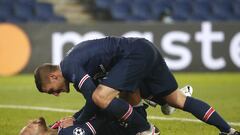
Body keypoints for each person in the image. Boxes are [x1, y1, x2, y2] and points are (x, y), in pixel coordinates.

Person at [34, 36, 239, 135]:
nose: (56, 94)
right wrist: (77, 118)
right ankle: (229, 131)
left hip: (134, 55)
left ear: (53, 76)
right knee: (177, 99)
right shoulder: (76, 63)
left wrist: (78, 123)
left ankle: (148, 130)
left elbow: (95, 100)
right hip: (145, 49)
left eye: (52, 90)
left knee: (101, 97)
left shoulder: (69, 66)